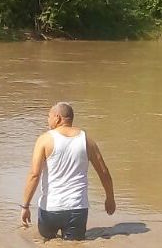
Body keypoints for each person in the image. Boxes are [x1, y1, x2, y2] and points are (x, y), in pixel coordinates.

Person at [20, 102, 115, 240]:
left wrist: (25, 206)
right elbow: (104, 172)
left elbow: (34, 175)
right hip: (77, 209)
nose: (47, 120)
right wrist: (110, 198)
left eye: (49, 116)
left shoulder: (44, 139)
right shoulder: (87, 140)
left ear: (57, 118)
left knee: (47, 246)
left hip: (50, 209)